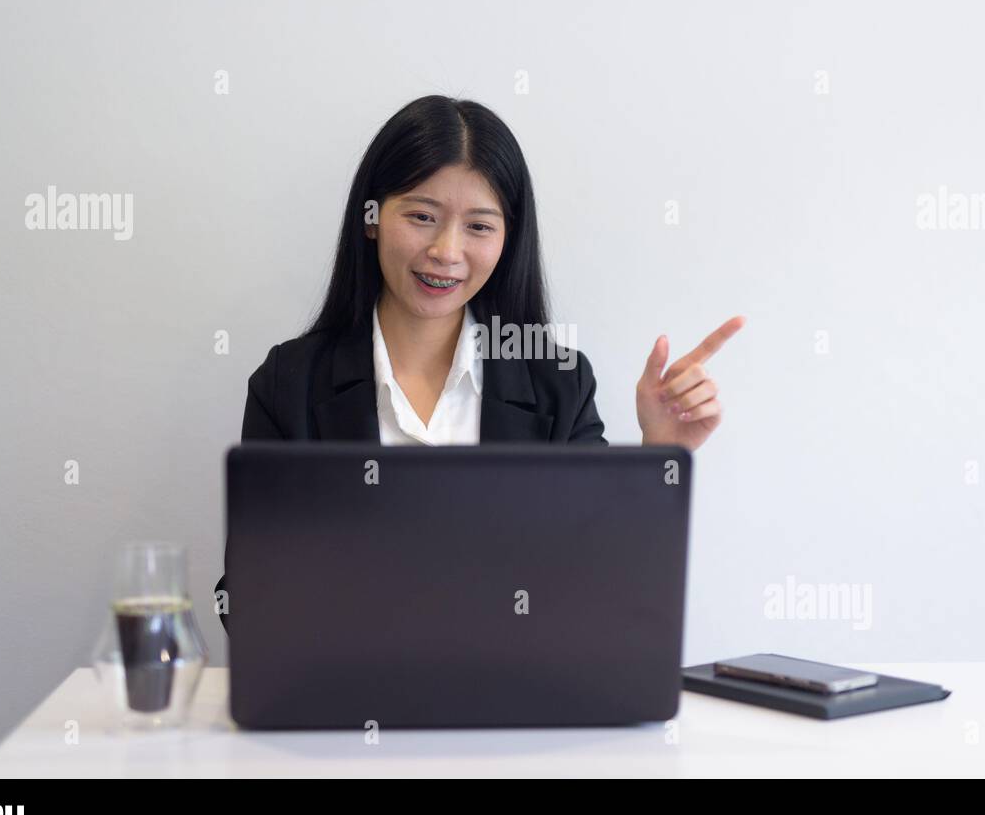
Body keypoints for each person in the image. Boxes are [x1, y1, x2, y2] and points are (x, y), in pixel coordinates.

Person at [214, 95, 743, 630]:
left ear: (508, 239)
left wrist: (662, 455)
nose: (446, 251)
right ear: (371, 219)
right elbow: (244, 601)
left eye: (480, 226)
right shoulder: (290, 383)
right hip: (350, 700)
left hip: (513, 702)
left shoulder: (558, 383)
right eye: (422, 216)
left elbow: (606, 590)